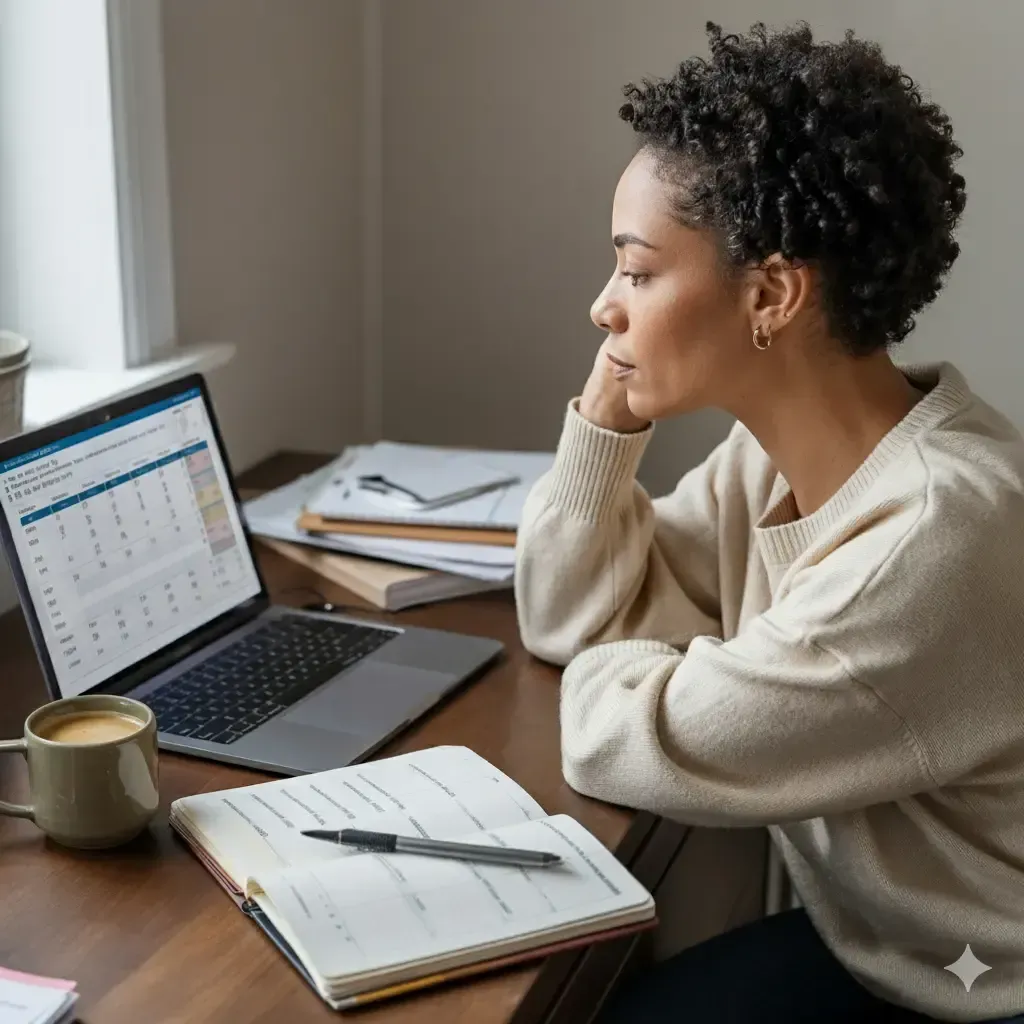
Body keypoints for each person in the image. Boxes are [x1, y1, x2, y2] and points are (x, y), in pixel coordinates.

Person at [514, 21, 1024, 1024]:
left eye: (638, 271)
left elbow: (632, 735)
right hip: (886, 948)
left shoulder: (931, 537)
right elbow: (570, 616)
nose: (601, 307)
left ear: (772, 293)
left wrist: (667, 657)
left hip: (980, 986)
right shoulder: (774, 461)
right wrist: (606, 419)